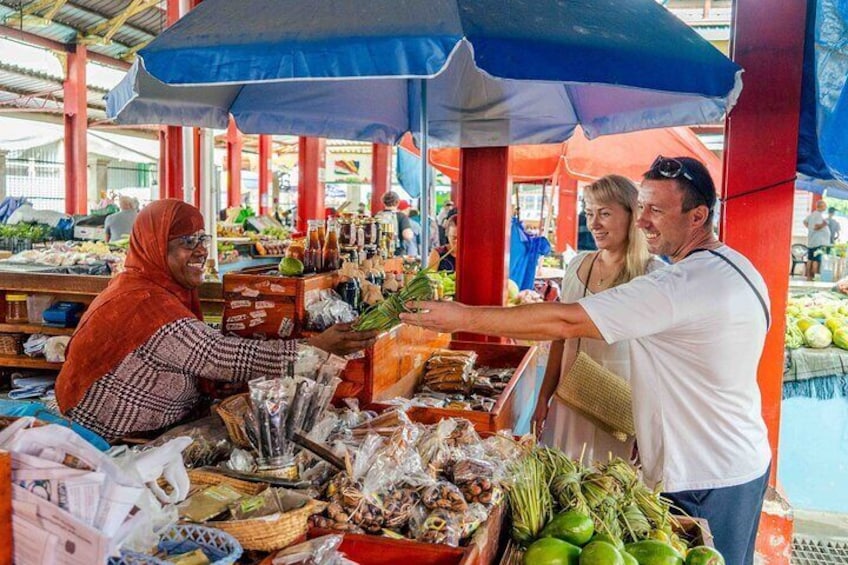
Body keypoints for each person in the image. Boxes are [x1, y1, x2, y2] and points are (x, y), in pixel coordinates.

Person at [402, 156, 771, 565]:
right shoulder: (738, 266)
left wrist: (462, 316)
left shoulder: (674, 285)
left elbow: (565, 319)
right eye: (642, 206)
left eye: (656, 210)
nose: (644, 220)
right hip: (739, 459)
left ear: (698, 216)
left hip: (702, 475)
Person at [56, 200, 378, 441]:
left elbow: (198, 342)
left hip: (149, 425)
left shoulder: (151, 288)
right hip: (113, 438)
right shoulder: (144, 303)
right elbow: (220, 357)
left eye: (202, 240)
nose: (200, 252)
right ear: (154, 247)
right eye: (186, 242)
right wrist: (316, 348)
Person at [535, 175, 663, 463]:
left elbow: (661, 362)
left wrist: (651, 427)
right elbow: (560, 337)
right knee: (562, 481)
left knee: (607, 492)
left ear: (632, 216)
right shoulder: (577, 265)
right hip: (569, 399)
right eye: (590, 213)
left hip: (619, 410)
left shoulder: (653, 275)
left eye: (604, 213)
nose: (593, 224)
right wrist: (543, 397)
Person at [377, 191, 414, 256]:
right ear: (397, 202)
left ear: (383, 202)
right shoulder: (401, 216)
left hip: (379, 252)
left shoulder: (378, 216)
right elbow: (407, 236)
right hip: (397, 253)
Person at [803, 200, 831, 280]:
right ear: (821, 206)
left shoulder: (812, 214)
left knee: (810, 259)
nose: (825, 208)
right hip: (818, 241)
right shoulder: (818, 215)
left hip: (812, 240)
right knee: (816, 260)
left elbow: (804, 222)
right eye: (825, 206)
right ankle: (813, 277)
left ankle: (808, 276)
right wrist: (824, 224)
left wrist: (809, 228)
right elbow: (816, 227)